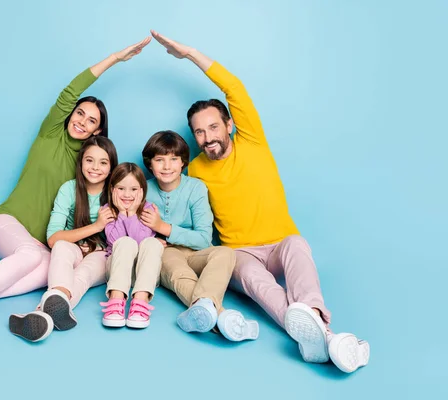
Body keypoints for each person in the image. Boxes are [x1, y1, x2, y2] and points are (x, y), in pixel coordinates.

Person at [151, 30, 369, 373]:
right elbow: (171, 197)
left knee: (298, 244)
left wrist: (190, 53)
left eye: (213, 127)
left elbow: (233, 87)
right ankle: (326, 337)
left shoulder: (252, 141)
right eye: (199, 132)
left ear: (230, 125)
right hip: (240, 252)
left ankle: (314, 326)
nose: (207, 137)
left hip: (280, 242)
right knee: (253, 278)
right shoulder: (193, 170)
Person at [0, 37, 151, 343]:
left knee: (44, 275)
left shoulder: (89, 166)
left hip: (41, 245)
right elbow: (69, 93)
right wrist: (116, 57)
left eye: (91, 121)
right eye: (79, 113)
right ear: (70, 114)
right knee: (27, 256)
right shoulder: (50, 135)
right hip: (7, 224)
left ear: (98, 131)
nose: (82, 121)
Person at [141, 130, 258, 341]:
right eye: (160, 160)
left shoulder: (195, 188)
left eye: (173, 159)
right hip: (166, 251)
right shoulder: (143, 190)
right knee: (178, 273)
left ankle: (206, 310)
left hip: (197, 251)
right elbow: (130, 228)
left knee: (224, 253)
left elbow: (204, 238)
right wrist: (149, 239)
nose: (167, 166)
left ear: (183, 163)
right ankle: (223, 318)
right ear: (150, 164)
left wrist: (164, 227)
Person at [9, 136, 118, 342]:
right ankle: (54, 306)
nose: (95, 167)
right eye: (89, 160)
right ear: (81, 162)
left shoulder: (116, 193)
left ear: (112, 167)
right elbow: (53, 238)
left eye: (103, 162)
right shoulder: (69, 189)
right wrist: (96, 226)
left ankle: (40, 314)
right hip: (72, 246)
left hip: (102, 253)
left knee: (82, 276)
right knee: (60, 247)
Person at [100, 163, 163, 329]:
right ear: (112, 189)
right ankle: (116, 299)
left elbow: (141, 241)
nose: (127, 194)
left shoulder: (148, 210)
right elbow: (115, 242)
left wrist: (133, 213)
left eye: (134, 189)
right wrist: (122, 213)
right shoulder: (108, 210)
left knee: (151, 243)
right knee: (125, 242)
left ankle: (140, 302)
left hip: (145, 275)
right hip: (116, 272)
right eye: (121, 188)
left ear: (142, 191)